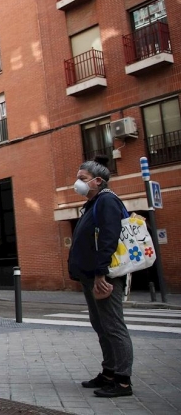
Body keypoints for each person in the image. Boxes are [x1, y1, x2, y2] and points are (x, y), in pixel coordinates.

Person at [68, 156, 134, 398]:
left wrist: (100, 273)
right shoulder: (93, 203)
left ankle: (123, 381)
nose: (78, 183)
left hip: (103, 277)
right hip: (91, 276)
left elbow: (108, 238)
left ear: (97, 181)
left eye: (82, 179)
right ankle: (109, 372)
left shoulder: (106, 201)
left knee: (113, 326)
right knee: (101, 325)